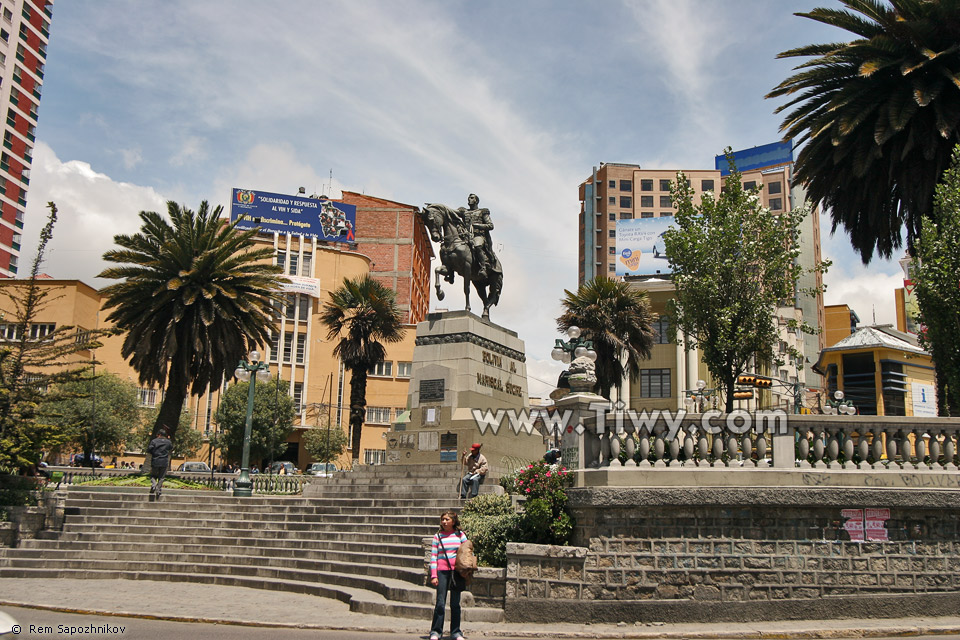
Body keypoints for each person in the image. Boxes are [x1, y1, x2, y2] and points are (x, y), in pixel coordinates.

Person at [429, 510, 468, 640]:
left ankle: (456, 632)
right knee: (440, 602)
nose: (444, 522)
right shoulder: (438, 536)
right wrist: (434, 575)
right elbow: (434, 556)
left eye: (447, 519)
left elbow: (467, 550)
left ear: (453, 521)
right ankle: (436, 631)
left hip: (456, 572)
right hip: (442, 571)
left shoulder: (460, 535)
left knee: (455, 603)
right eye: (443, 519)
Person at [455, 194, 494, 281]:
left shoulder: (482, 211)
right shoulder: (464, 212)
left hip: (478, 236)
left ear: (476, 200)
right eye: (469, 198)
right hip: (465, 236)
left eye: (472, 198)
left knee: (477, 246)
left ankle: (483, 268)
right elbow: (452, 213)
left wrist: (478, 226)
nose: (469, 199)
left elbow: (490, 226)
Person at [147, 428, 173, 500]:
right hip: (164, 461)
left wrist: (154, 453)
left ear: (159, 435)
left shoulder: (154, 441)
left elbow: (149, 450)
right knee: (161, 477)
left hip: (155, 461)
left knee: (153, 475)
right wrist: (169, 439)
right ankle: (158, 490)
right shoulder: (168, 442)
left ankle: (154, 484)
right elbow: (171, 448)